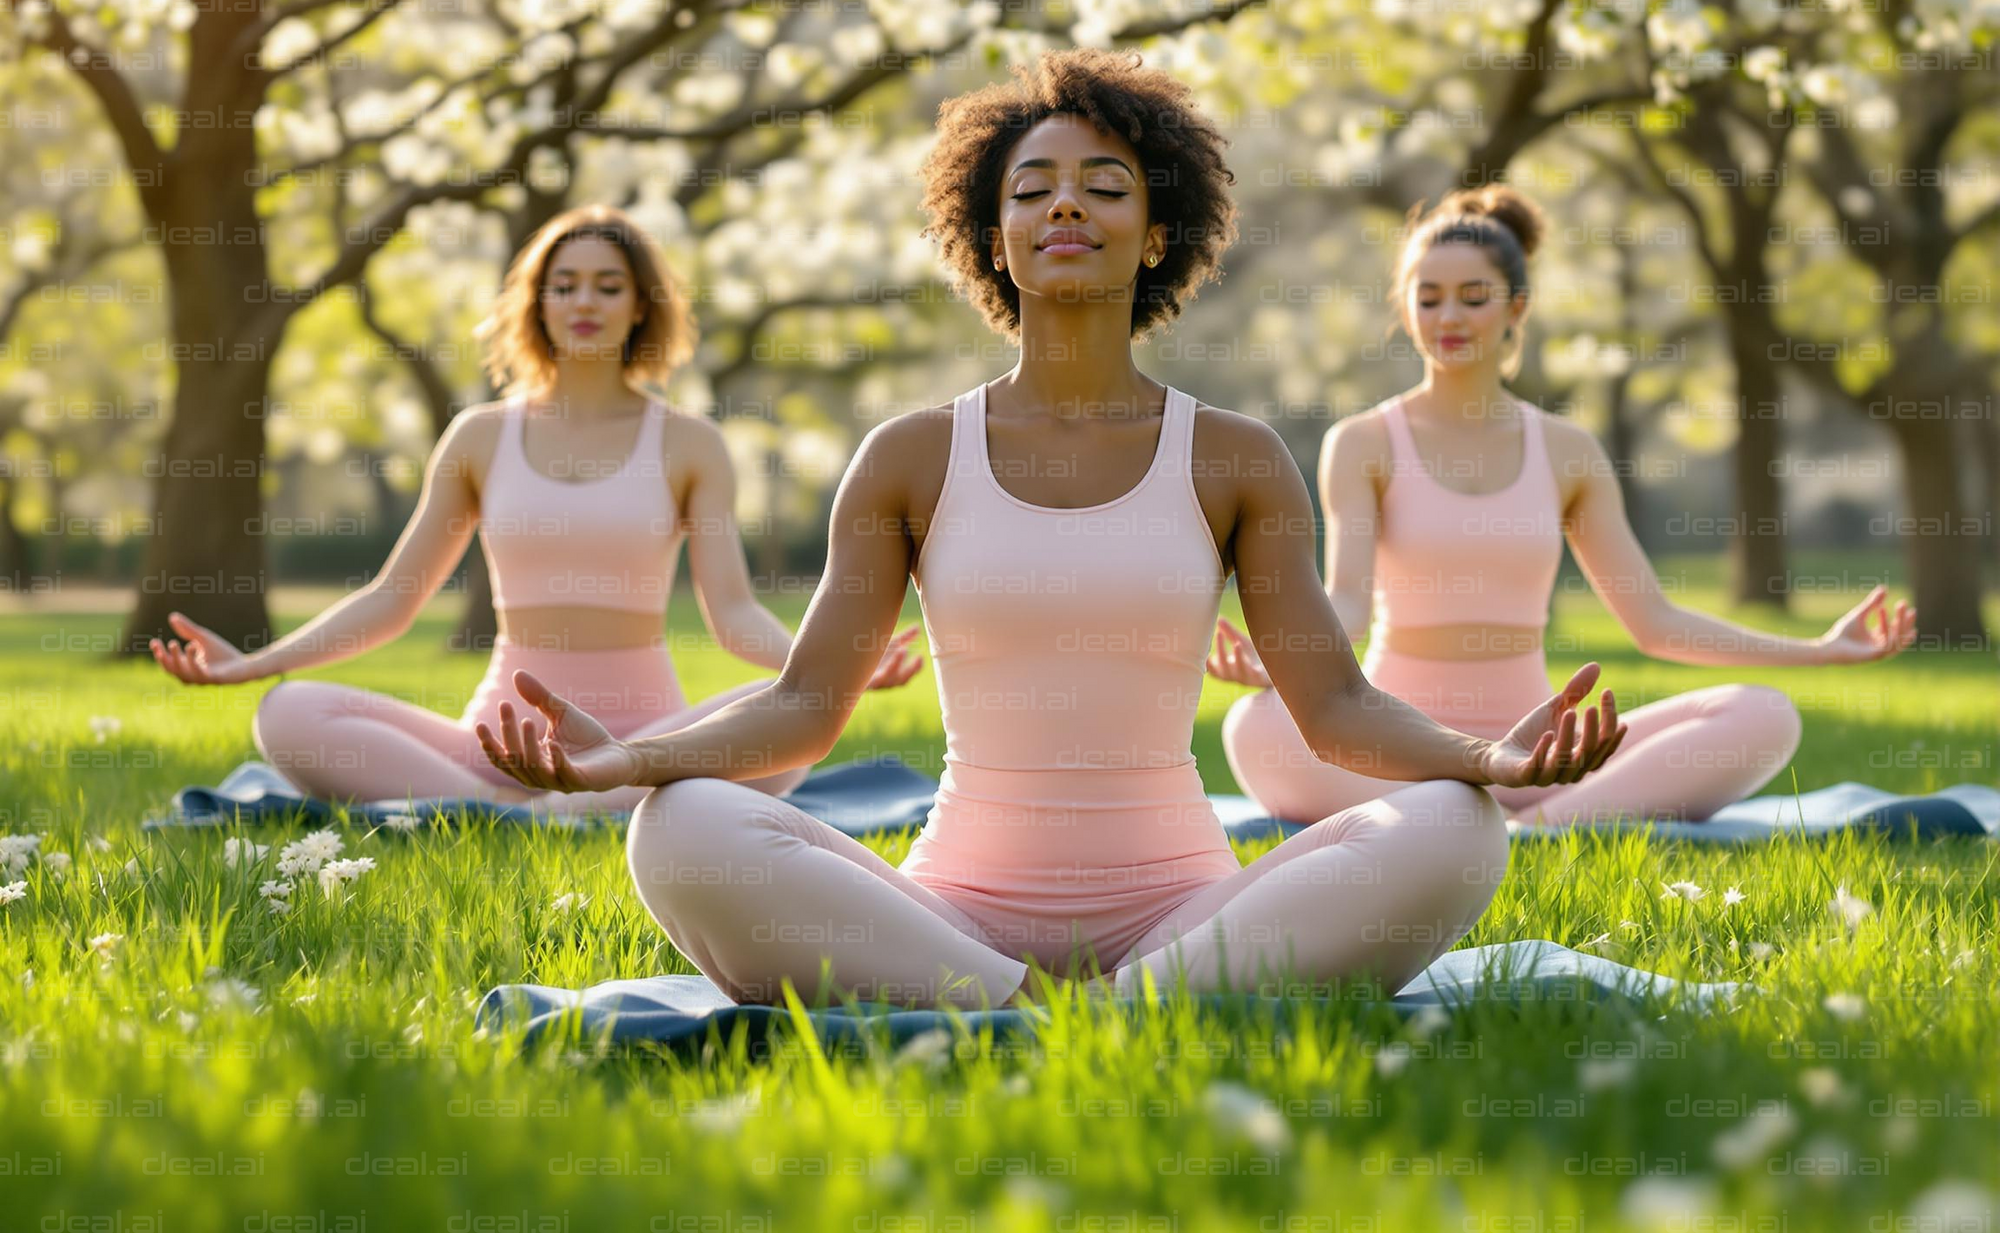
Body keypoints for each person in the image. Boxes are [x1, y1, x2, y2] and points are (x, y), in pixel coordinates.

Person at [475, 50, 1628, 1011]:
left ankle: (1119, 1011)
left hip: (1186, 912)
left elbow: (1333, 711)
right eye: (1029, 191)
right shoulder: (910, 456)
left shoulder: (1232, 455)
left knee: (1456, 828)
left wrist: (1487, 761)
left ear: (1158, 235)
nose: (1062, 204)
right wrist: (625, 764)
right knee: (680, 830)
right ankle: (1022, 1008)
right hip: (949, 918)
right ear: (992, 240)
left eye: (1102, 185)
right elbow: (801, 708)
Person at [149, 205, 924, 815]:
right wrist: (252, 665)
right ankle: (517, 807)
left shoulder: (691, 444)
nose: (584, 300)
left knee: (793, 717)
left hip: (642, 743)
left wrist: (832, 669)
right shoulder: (480, 437)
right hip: (493, 744)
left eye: (607, 284)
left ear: (641, 307)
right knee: (287, 714)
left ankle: (560, 803)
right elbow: (393, 598)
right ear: (538, 303)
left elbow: (733, 614)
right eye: (565, 283)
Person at [1214, 185, 1917, 830]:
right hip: (1404, 747)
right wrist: (1284, 656)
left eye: (1473, 296)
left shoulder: (1566, 451)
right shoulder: (1363, 441)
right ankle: (1495, 815)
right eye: (1428, 298)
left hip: (1546, 753)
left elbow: (1656, 622)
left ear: (1517, 305)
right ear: (1406, 308)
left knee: (1763, 714)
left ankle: (1535, 829)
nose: (1448, 316)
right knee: (1255, 726)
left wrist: (1820, 650)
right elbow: (1348, 601)